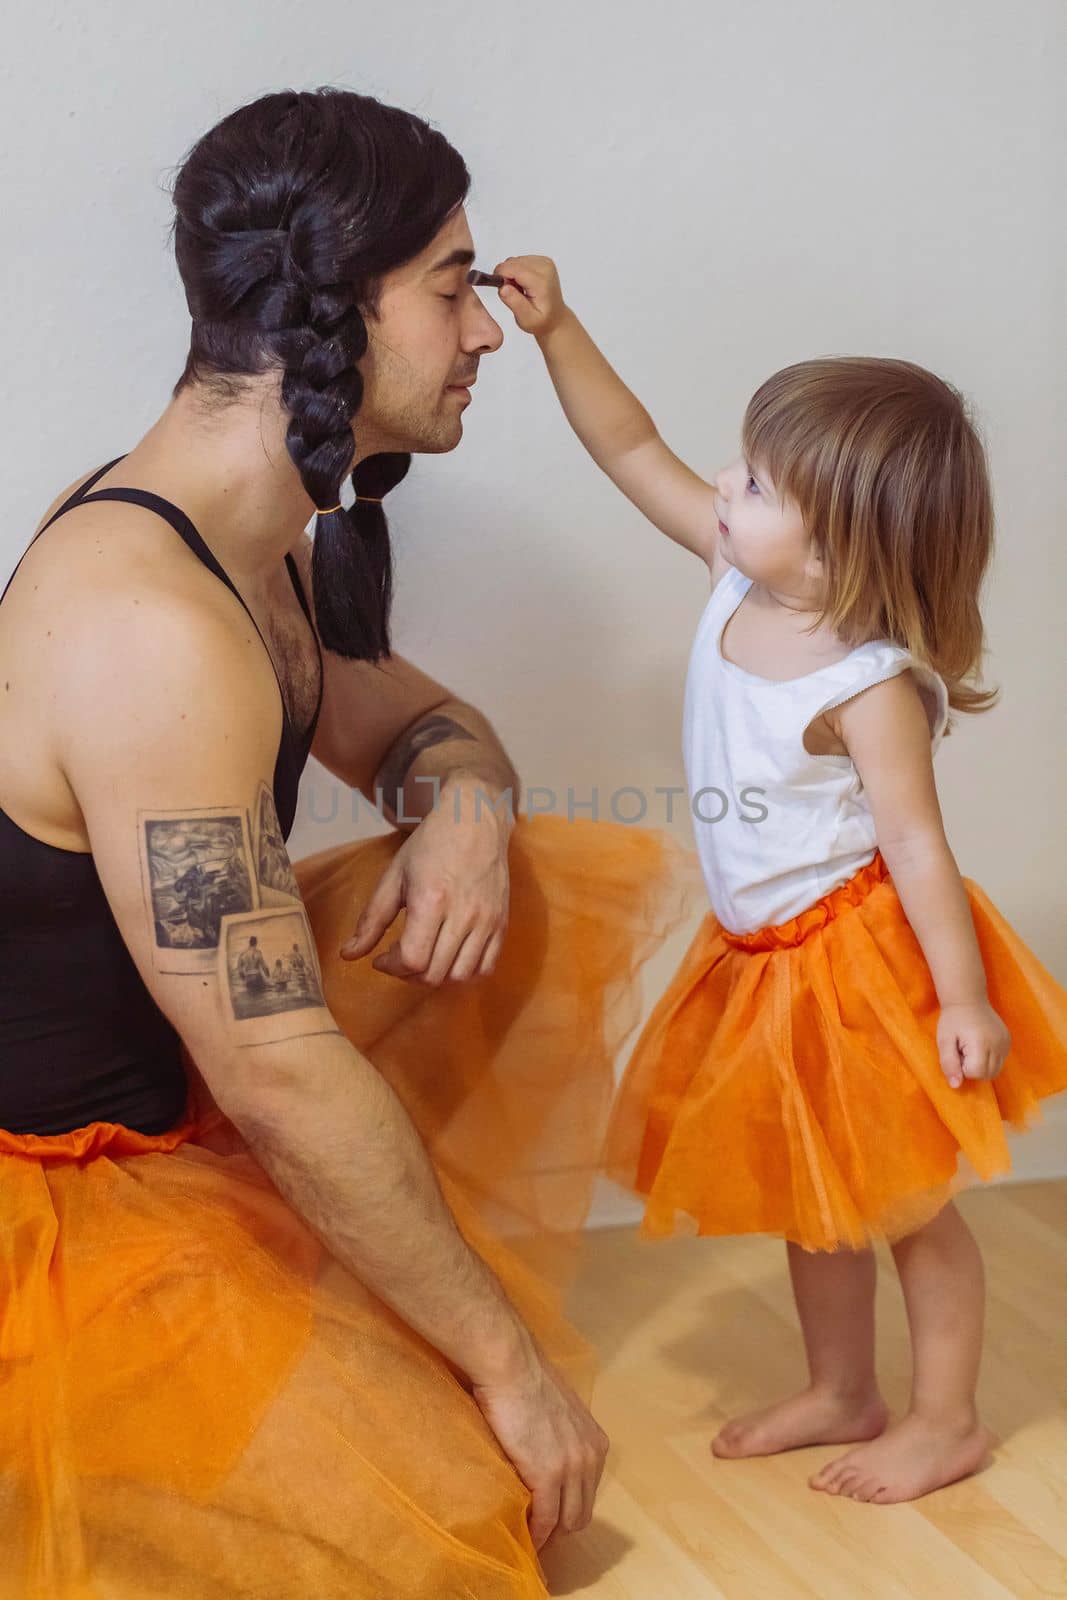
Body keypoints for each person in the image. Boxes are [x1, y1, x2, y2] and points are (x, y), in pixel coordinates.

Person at [0, 95, 691, 1597]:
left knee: (527, 883)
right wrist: (506, 1366)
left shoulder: (249, 551)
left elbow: (429, 729)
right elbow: (272, 1060)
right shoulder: (145, 621)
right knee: (441, 1536)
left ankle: (340, 1271)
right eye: (450, 285)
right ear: (334, 305)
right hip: (59, 1185)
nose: (483, 331)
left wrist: (469, 809)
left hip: (194, 1081)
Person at [493, 255, 1067, 1505]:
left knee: (907, 1207)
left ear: (843, 542)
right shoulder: (734, 575)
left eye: (752, 483)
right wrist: (559, 333)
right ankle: (841, 1387)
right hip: (760, 955)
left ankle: (944, 1417)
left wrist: (959, 1000)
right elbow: (629, 443)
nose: (718, 484)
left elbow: (917, 846)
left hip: (855, 959)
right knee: (815, 1194)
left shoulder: (862, 684)